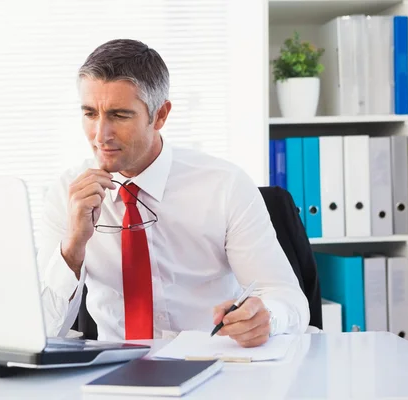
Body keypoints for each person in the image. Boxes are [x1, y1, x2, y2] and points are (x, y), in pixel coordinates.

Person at [37, 39, 310, 348]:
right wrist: (73, 247)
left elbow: (289, 299)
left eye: (119, 115)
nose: (101, 135)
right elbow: (45, 331)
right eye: (90, 114)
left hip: (211, 365)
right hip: (113, 375)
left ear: (161, 115)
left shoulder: (225, 185)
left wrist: (267, 318)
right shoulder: (67, 194)